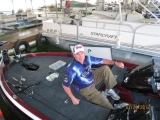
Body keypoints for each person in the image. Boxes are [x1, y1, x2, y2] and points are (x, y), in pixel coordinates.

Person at [62, 44, 124, 109]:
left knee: (105, 68)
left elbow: (102, 60)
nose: (80, 56)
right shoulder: (71, 68)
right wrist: (73, 98)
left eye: (82, 53)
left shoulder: (88, 58)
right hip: (85, 87)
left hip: (92, 77)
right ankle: (113, 110)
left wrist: (115, 63)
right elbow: (65, 85)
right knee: (105, 102)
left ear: (84, 53)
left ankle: (108, 90)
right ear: (74, 55)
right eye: (77, 54)